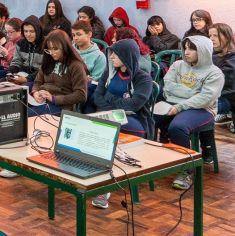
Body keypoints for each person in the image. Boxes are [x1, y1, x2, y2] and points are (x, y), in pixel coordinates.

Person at [89, 38, 156, 210]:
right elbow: (97, 97)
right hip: (110, 115)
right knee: (93, 127)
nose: (111, 57)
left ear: (127, 56)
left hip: (135, 119)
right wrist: (118, 103)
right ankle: (98, 178)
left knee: (106, 130)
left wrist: (110, 99)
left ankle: (104, 188)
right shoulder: (109, 73)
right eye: (110, 53)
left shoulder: (143, 79)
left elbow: (134, 105)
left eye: (116, 54)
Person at [155, 36, 223, 190]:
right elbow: (168, 85)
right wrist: (193, 93)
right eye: (185, 48)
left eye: (192, 48)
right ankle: (146, 163)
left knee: (178, 126)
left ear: (203, 51)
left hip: (202, 110)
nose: (186, 52)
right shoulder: (177, 65)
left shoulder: (215, 73)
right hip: (172, 102)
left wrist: (181, 105)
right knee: (147, 120)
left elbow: (205, 99)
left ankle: (186, 171)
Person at [28, 30, 88, 117]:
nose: (51, 53)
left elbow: (81, 95)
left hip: (62, 106)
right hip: (42, 102)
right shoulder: (48, 61)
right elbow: (38, 82)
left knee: (27, 116)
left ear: (65, 47)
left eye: (55, 49)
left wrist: (53, 98)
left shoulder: (75, 66)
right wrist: (35, 92)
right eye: (49, 49)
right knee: (18, 112)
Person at [71, 20, 106, 112]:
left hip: (85, 88)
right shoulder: (69, 51)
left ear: (89, 34)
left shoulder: (99, 56)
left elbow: (95, 80)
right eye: (73, 35)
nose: (75, 38)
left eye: (79, 34)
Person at [5, 16, 45, 86]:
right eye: (26, 31)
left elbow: (45, 69)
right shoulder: (21, 43)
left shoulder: (46, 44)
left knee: (22, 88)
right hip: (22, 73)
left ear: (38, 31)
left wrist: (27, 79)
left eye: (32, 31)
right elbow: (17, 61)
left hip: (38, 77)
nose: (28, 34)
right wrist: (10, 73)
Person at [209, 23, 235, 124]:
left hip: (227, 98)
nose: (211, 39)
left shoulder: (232, 57)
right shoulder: (213, 55)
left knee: (197, 108)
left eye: (215, 35)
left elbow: (229, 87)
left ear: (227, 36)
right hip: (211, 94)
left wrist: (209, 97)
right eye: (210, 35)